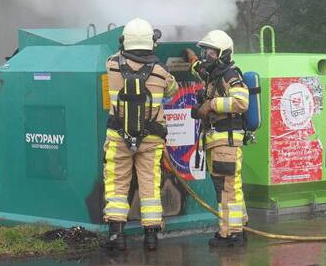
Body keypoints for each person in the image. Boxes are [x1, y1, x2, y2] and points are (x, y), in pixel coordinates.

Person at [103, 18, 179, 251]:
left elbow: (117, 55)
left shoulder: (112, 64)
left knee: (117, 185)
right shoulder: (160, 71)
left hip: (118, 136)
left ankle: (117, 237)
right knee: (149, 184)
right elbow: (173, 90)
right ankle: (151, 238)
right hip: (151, 139)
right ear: (150, 43)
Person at [185, 30, 249, 247]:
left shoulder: (230, 75)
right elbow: (201, 70)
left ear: (223, 54)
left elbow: (241, 102)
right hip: (219, 140)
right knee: (231, 186)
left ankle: (231, 234)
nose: (206, 56)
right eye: (205, 52)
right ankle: (239, 227)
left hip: (226, 140)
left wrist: (211, 104)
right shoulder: (214, 74)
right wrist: (192, 59)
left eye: (211, 52)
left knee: (226, 188)